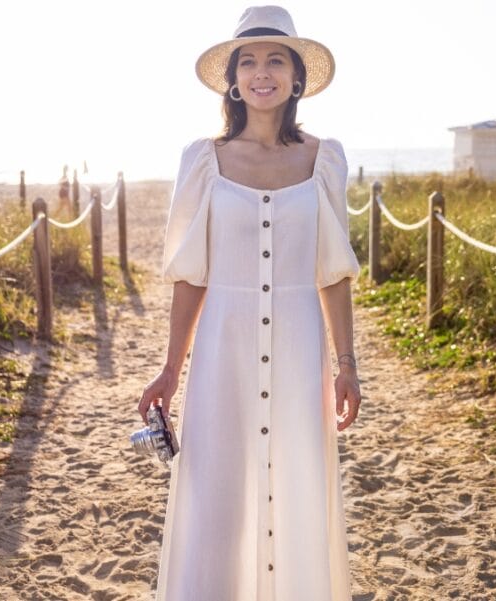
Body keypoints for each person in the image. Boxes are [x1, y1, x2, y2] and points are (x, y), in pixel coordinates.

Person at [137, 6, 361, 600]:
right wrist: (169, 369)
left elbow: (333, 273)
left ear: (296, 78)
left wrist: (348, 366)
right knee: (216, 490)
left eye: (277, 60)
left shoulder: (325, 159)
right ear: (233, 79)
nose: (263, 72)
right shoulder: (203, 161)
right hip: (222, 348)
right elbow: (191, 276)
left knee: (296, 482)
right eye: (250, 61)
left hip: (298, 347)